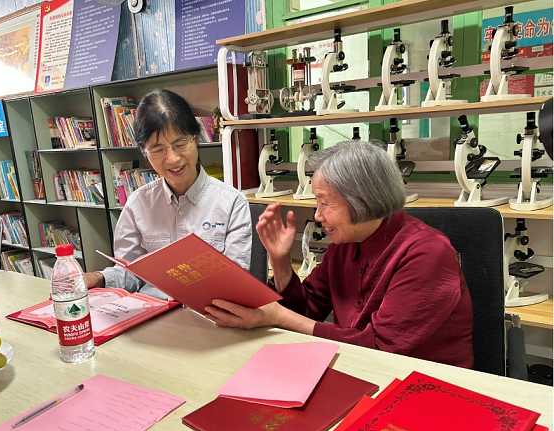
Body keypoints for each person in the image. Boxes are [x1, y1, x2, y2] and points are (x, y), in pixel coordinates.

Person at [205, 139, 474, 368]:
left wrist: (279, 317)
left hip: (427, 385)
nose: (318, 215)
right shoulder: (345, 246)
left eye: (325, 203)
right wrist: (281, 261)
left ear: (363, 199)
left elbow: (380, 348)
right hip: (357, 368)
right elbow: (308, 311)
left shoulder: (428, 253)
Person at [85, 89, 252, 298]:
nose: (172, 159)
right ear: (144, 152)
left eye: (180, 144)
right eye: (158, 150)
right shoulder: (138, 204)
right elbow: (130, 273)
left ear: (196, 138)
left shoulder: (232, 203)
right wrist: (99, 278)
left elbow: (235, 281)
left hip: (208, 310)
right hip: (152, 309)